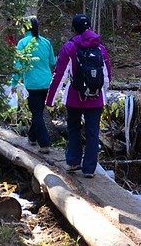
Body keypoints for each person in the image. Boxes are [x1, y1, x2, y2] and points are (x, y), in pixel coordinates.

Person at [45, 13, 112, 178]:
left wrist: (50, 99)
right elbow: (107, 75)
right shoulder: (100, 48)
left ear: (74, 29)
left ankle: (73, 162)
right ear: (89, 27)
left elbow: (59, 75)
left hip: (74, 98)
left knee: (73, 129)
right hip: (96, 100)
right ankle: (89, 169)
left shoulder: (70, 47)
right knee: (92, 132)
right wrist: (102, 93)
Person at [11, 17, 57, 154]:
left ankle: (44, 143)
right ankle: (32, 137)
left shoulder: (22, 43)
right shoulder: (46, 42)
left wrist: (14, 83)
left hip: (32, 83)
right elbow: (53, 62)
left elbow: (18, 65)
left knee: (36, 112)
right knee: (38, 110)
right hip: (46, 82)